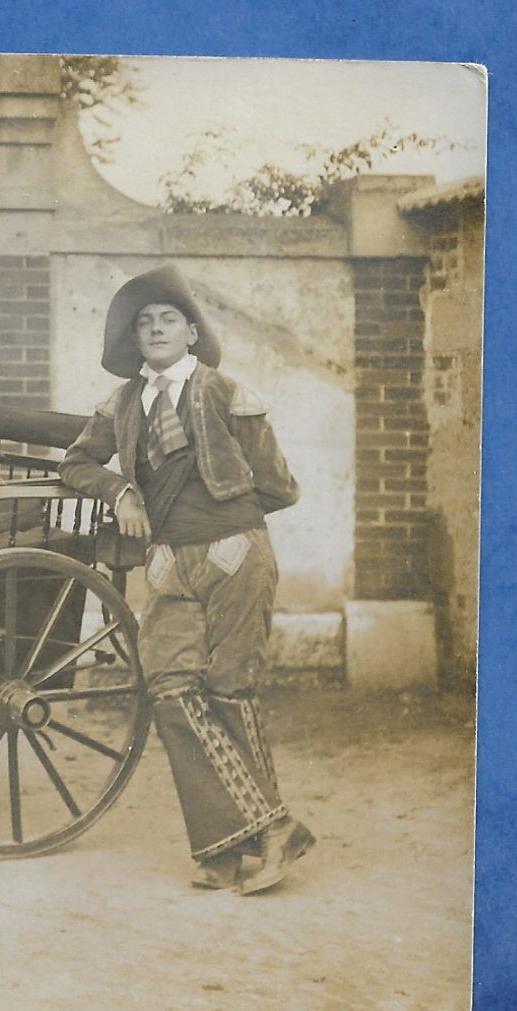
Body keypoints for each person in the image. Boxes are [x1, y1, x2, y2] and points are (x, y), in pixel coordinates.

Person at [58, 263, 314, 894]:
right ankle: (270, 827)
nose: (156, 329)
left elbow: (279, 487)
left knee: (231, 690)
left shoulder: (227, 394)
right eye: (145, 323)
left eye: (168, 319)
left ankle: (226, 850)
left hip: (232, 554)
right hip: (169, 561)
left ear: (192, 333)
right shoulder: (121, 403)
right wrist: (121, 491)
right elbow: (76, 463)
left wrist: (226, 527)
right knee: (170, 687)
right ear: (132, 341)